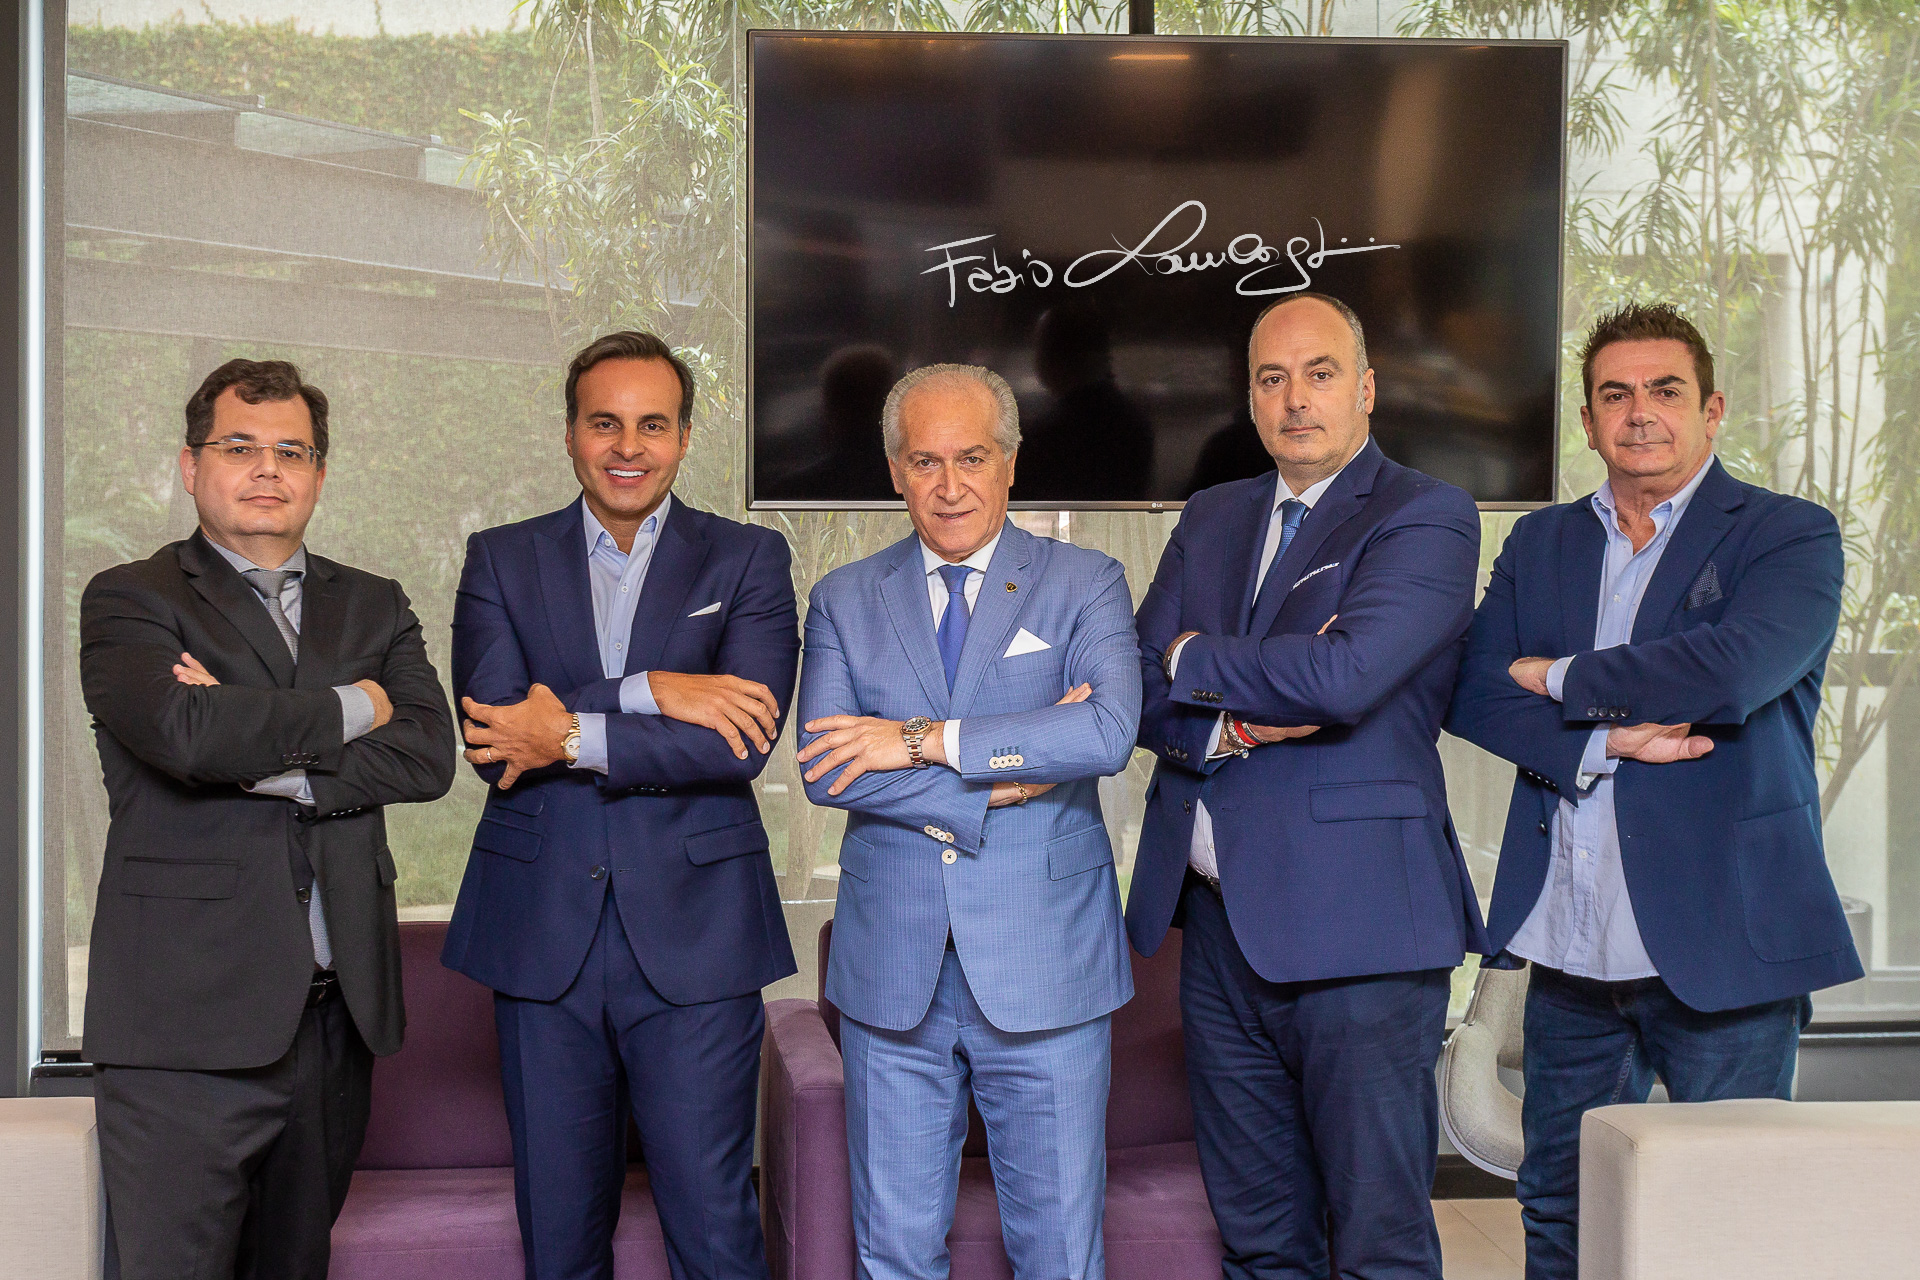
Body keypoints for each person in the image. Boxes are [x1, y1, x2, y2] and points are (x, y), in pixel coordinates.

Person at [1444, 302, 1862, 1280]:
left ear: (1711, 410)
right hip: (1571, 948)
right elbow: (1471, 691)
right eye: (1615, 394)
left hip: (1726, 943)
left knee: (1730, 1216)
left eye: (1666, 390)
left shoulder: (1787, 534)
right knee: (1560, 1204)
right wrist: (1606, 739)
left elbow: (1732, 671)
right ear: (1588, 422)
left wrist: (1556, 676)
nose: (1641, 412)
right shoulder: (1542, 541)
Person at [1127, 293, 1487, 1280]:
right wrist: (1238, 714)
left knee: (1377, 1243)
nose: (1296, 399)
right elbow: (1133, 687)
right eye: (1272, 378)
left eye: (1320, 373)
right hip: (1216, 932)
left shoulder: (1427, 514)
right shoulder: (1213, 515)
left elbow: (1344, 676)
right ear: (1250, 397)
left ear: (1365, 388)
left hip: (1360, 929)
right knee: (1260, 1241)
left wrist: (1192, 653)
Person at [79, 358, 456, 1280]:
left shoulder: (372, 602)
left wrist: (257, 751)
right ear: (190, 465)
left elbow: (426, 756)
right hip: (183, 1033)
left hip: (333, 1027)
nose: (267, 469)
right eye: (239, 446)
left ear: (319, 473)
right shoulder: (132, 597)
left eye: (292, 451)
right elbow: (185, 733)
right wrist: (357, 704)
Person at [442, 331, 801, 1280]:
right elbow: (493, 736)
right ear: (570, 434)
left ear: (684, 437)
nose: (628, 446)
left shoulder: (749, 559)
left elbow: (739, 741)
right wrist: (652, 689)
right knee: (559, 1238)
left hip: (699, 935)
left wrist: (567, 731)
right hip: (541, 935)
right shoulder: (500, 558)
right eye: (605, 423)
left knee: (715, 1232)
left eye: (653, 424)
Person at [794, 363, 1141, 1280]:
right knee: (895, 1255)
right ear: (895, 471)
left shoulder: (1086, 581)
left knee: (1059, 1255)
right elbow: (827, 767)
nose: (949, 486)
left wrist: (917, 741)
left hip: (1048, 963)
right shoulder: (843, 598)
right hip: (892, 969)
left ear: (1011, 463)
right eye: (925, 462)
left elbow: (1105, 731)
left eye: (973, 458)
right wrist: (990, 784)